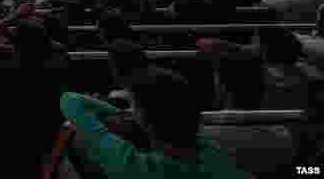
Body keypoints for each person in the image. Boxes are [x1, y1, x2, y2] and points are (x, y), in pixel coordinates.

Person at [61, 67, 251, 178]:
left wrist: (120, 113)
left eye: (133, 106)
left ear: (143, 117)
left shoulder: (132, 165)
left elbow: (69, 100)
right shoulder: (212, 152)